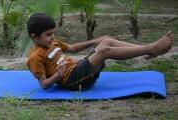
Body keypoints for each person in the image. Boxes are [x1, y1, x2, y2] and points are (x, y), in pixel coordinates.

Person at [26, 13, 174, 91]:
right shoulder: (35, 57)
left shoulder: (54, 42)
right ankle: (152, 49)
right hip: (73, 81)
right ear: (34, 36)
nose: (52, 37)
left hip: (77, 68)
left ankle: (147, 49)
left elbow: (73, 48)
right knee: (104, 51)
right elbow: (44, 85)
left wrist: (96, 40)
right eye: (48, 35)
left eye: (53, 33)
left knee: (107, 41)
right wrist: (57, 75)